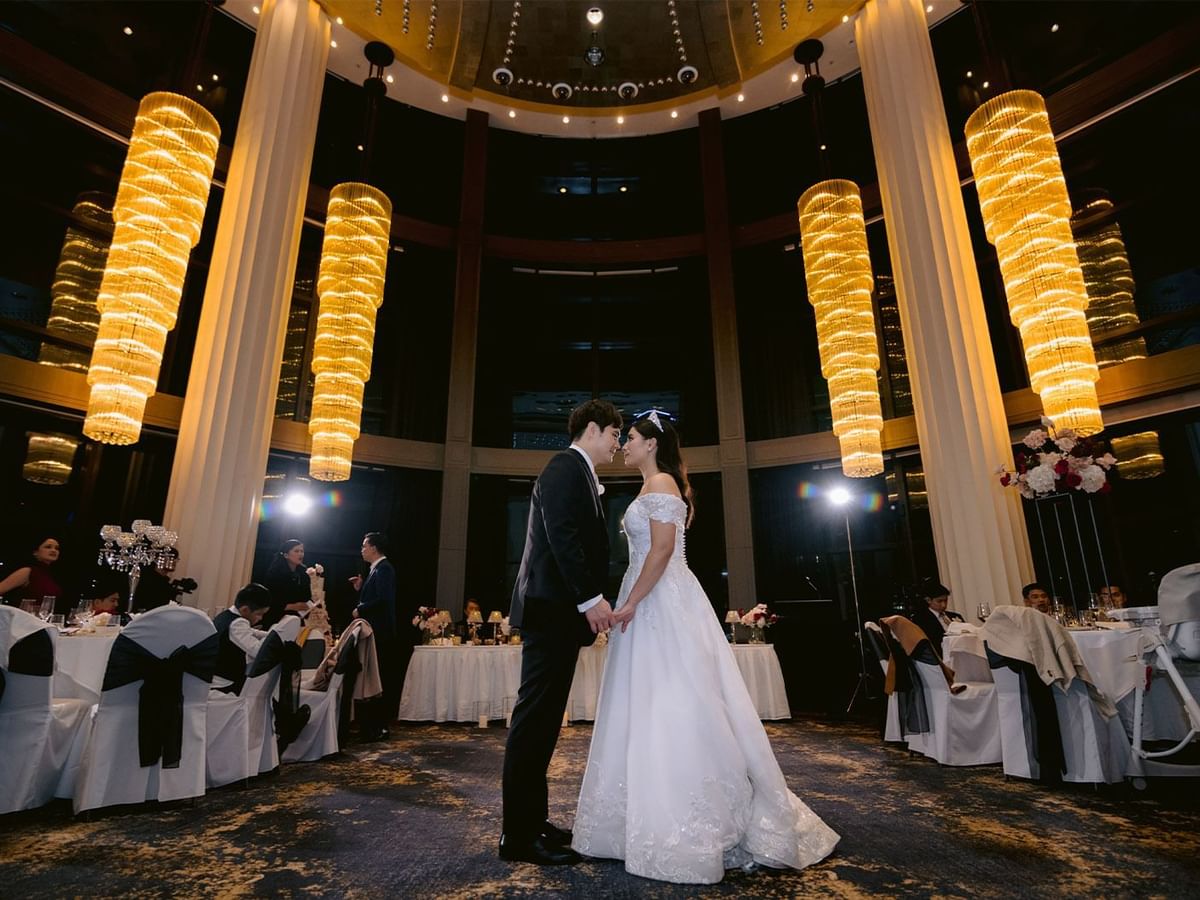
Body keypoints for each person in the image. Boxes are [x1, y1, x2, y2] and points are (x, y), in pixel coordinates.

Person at [572, 410, 838, 883]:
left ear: (651, 444)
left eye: (630, 438)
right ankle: (636, 818)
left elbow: (661, 551)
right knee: (649, 700)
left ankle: (692, 821)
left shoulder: (661, 487)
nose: (625, 446)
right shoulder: (652, 486)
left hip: (660, 602)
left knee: (674, 699)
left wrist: (630, 603)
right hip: (652, 597)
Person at [500, 399, 622, 867]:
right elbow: (561, 535)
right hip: (551, 613)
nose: (616, 444)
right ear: (593, 429)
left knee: (546, 724)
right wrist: (590, 599)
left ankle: (534, 822)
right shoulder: (563, 467)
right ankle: (517, 837)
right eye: (615, 435)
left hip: (557, 617)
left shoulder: (579, 473)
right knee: (532, 724)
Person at [350, 532, 397, 741]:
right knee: (372, 677)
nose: (362, 550)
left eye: (364, 546)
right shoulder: (375, 570)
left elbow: (383, 599)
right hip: (375, 629)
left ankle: (379, 727)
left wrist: (361, 608)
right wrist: (361, 589)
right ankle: (371, 726)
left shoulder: (384, 569)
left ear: (374, 548)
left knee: (378, 678)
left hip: (380, 631)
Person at [212, 583, 272, 693]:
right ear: (245, 610)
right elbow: (257, 651)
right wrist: (274, 639)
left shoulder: (227, 616)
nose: (261, 618)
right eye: (259, 614)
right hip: (225, 682)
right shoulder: (237, 623)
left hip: (217, 677)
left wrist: (270, 634)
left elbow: (251, 632)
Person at [0, 536, 64, 610]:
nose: (53, 550)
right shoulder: (28, 571)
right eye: (48, 547)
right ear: (35, 552)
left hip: (41, 619)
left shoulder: (51, 575)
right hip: (22, 618)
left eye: (57, 548)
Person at [261, 539, 313, 628]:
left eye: (302, 551)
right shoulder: (275, 574)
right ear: (286, 555)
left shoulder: (303, 574)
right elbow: (269, 601)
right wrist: (293, 606)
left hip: (297, 618)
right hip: (277, 618)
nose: (300, 554)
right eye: (296, 551)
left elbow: (306, 596)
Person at [910, 579, 964, 650]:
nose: (943, 605)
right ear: (928, 600)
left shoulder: (955, 616)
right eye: (939, 601)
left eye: (945, 600)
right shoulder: (921, 619)